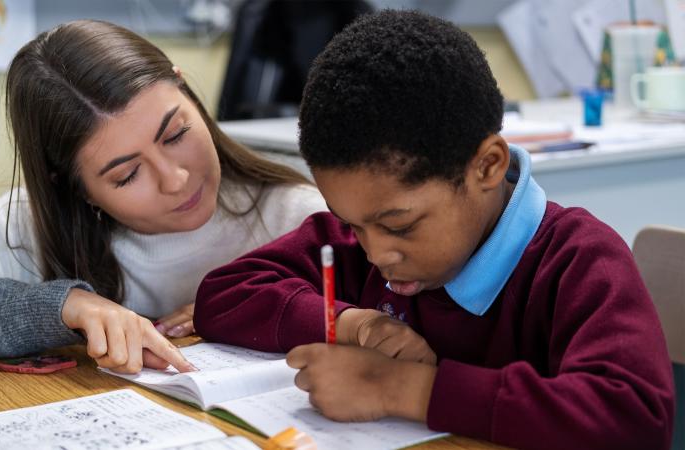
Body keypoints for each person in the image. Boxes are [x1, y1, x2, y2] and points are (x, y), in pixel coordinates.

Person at [193, 10, 674, 449]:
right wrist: (353, 324)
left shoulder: (578, 259)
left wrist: (403, 389)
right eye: (353, 226)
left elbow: (633, 416)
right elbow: (223, 294)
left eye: (399, 226)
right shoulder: (363, 235)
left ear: (486, 167)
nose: (377, 254)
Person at [0, 20, 324, 374]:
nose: (175, 179)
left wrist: (263, 308)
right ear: (74, 186)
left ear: (185, 89)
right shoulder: (23, 229)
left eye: (176, 134)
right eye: (127, 174)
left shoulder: (301, 219)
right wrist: (57, 307)